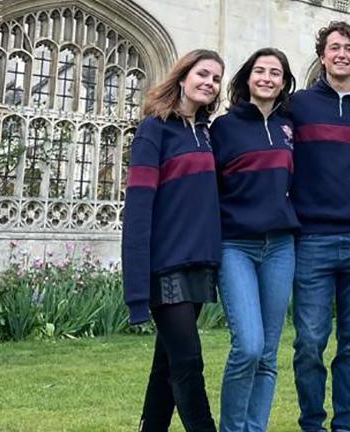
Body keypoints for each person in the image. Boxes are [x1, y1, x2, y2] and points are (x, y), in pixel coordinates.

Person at [121, 49, 224, 432]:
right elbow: (138, 208)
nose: (209, 83)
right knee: (188, 364)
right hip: (166, 266)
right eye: (202, 74)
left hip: (199, 265)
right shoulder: (154, 129)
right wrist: (136, 290)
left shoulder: (207, 135)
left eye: (215, 79)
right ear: (182, 77)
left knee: (165, 366)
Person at [288, 21, 350, 432]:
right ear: (322, 55)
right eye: (334, 48)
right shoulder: (299, 104)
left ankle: (345, 425)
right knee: (309, 342)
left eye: (349, 48)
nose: (341, 54)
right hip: (313, 239)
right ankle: (312, 423)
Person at [209, 48, 299, 432]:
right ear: (247, 78)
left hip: (280, 246)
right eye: (259, 71)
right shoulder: (223, 128)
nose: (267, 77)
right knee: (247, 345)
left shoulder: (288, 128)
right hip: (236, 245)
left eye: (275, 72)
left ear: (283, 82)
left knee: (267, 354)